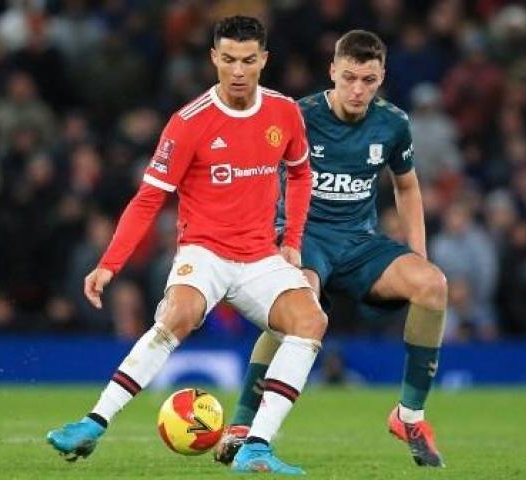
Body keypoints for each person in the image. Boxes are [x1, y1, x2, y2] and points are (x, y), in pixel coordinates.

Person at [46, 16, 328, 475]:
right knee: (178, 314)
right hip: (205, 251)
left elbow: (299, 172)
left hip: (260, 255)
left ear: (264, 60)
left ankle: (256, 446)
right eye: (230, 60)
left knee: (311, 320)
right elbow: (149, 198)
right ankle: (93, 423)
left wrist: (291, 240)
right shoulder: (189, 123)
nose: (238, 71)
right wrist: (109, 264)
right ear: (214, 58)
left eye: (249, 60)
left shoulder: (284, 112)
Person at [214, 30, 447, 468]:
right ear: (332, 73)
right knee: (297, 307)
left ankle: (409, 415)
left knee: (432, 285)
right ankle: (245, 423)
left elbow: (408, 186)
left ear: (381, 77)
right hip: (303, 236)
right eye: (350, 78)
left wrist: (419, 253)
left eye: (369, 80)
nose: (358, 89)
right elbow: (255, 168)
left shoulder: (393, 123)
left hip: (359, 243)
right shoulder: (298, 116)